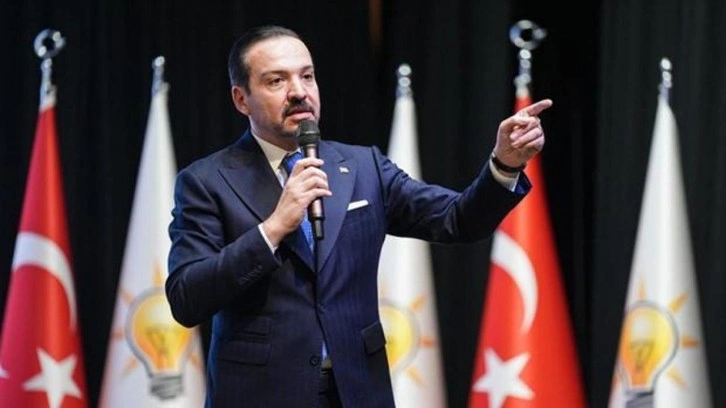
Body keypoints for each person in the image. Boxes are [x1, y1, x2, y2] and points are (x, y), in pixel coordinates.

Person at [166, 25, 552, 408]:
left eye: (307, 76)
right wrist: (273, 228)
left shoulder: (364, 167)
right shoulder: (207, 181)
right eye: (276, 81)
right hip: (260, 395)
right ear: (241, 99)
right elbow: (186, 298)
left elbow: (458, 219)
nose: (299, 91)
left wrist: (504, 165)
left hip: (357, 391)